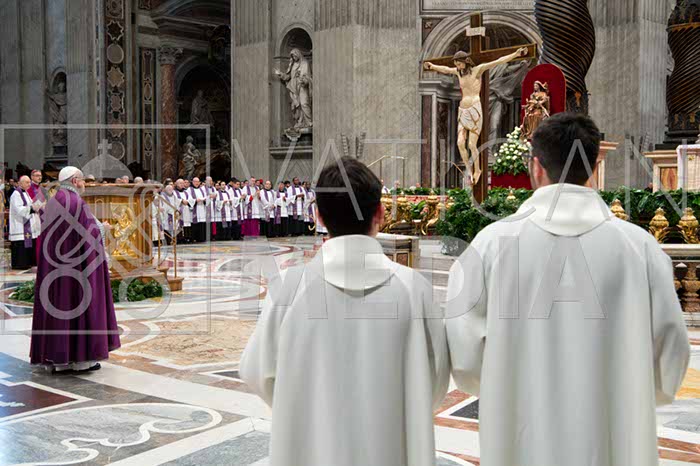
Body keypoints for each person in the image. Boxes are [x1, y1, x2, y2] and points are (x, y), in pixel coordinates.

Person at [445, 113, 690, 466]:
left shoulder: (491, 245)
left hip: (521, 435)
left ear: (535, 167)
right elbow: (671, 350)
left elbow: (464, 354)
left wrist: (508, 382)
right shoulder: (641, 249)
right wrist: (627, 390)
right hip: (613, 434)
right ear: (593, 167)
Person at [240, 157, 449, 466]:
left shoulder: (288, 289)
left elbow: (256, 371)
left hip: (312, 450)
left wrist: (304, 406)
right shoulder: (415, 290)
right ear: (381, 213)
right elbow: (436, 379)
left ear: (318, 216)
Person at [30, 167, 121, 372]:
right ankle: (81, 360)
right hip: (78, 269)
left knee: (59, 304)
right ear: (74, 180)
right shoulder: (76, 202)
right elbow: (89, 234)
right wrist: (103, 229)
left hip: (55, 268)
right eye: (82, 180)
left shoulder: (53, 201)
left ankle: (58, 361)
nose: (84, 184)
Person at [9, 176, 41, 269]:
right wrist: (32, 208)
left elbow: (30, 205)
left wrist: (36, 206)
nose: (29, 184)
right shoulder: (16, 194)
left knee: (29, 244)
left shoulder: (25, 193)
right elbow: (19, 209)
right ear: (20, 183)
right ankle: (20, 264)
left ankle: (28, 262)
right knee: (21, 245)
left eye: (29, 182)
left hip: (27, 224)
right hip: (20, 225)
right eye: (27, 182)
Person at [188, 177, 208, 242]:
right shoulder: (189, 189)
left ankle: (202, 238)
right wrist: (195, 200)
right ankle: (194, 238)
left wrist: (205, 200)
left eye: (198, 182)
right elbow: (189, 199)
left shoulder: (202, 189)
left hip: (201, 208)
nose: (197, 183)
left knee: (202, 222)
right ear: (192, 182)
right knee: (195, 223)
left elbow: (206, 197)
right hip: (195, 208)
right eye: (195, 182)